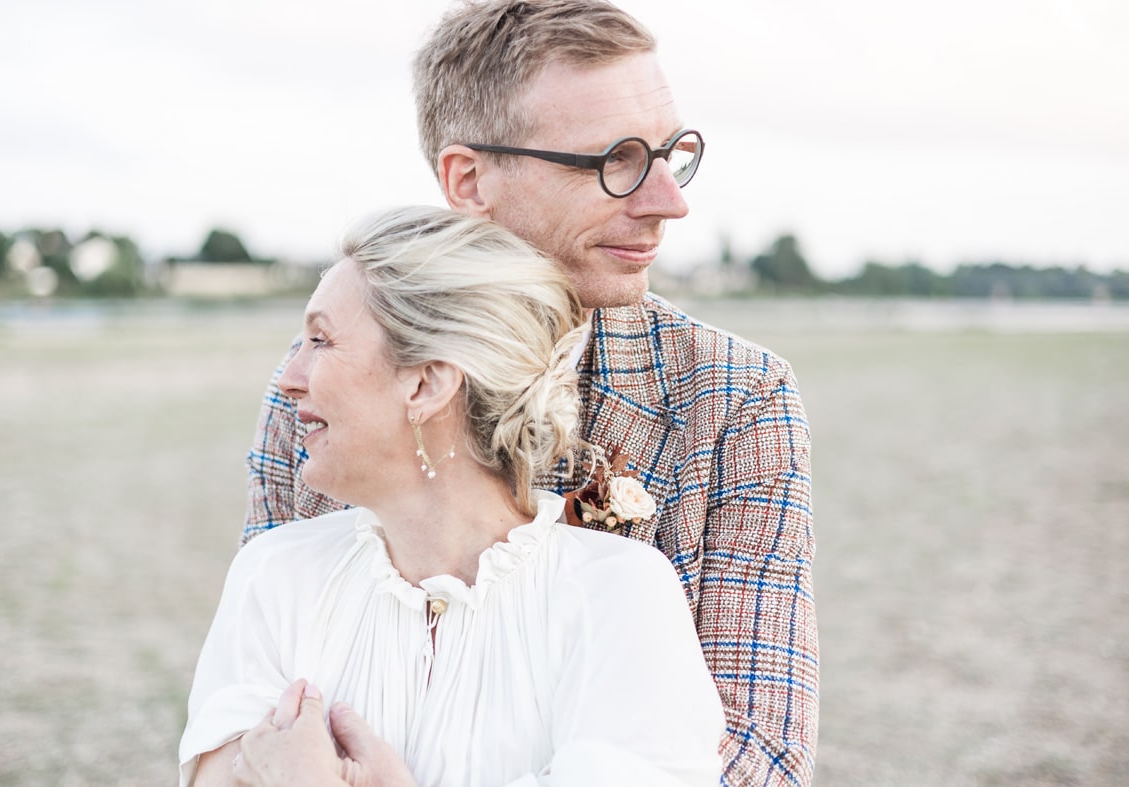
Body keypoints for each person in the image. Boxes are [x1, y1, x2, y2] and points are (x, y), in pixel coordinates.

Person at [243, 2, 818, 784]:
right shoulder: (319, 388)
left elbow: (762, 759)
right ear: (469, 178)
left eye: (669, 153)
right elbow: (269, 720)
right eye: (616, 159)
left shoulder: (735, 399)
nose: (667, 201)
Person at [181, 206, 726, 785]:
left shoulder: (619, 592)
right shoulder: (274, 574)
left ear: (427, 383)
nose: (289, 376)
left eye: (320, 340)